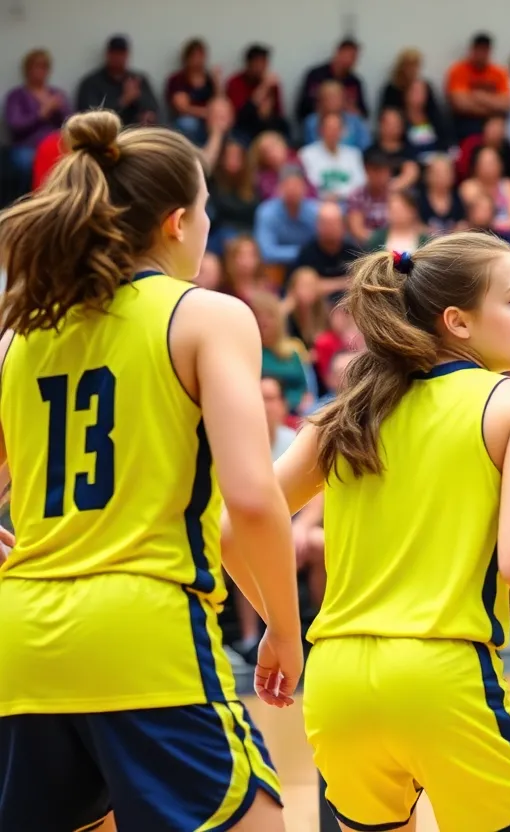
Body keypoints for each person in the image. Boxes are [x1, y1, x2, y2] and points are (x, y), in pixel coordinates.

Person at [256, 233, 510, 832]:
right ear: (458, 322)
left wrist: (279, 627)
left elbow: (237, 521)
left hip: (336, 682)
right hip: (441, 677)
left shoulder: (347, 411)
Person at [0, 110, 300, 831]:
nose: (207, 230)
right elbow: (253, 500)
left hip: (25, 648)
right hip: (145, 633)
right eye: (203, 213)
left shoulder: (20, 333)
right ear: (175, 223)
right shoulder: (206, 316)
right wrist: (286, 629)